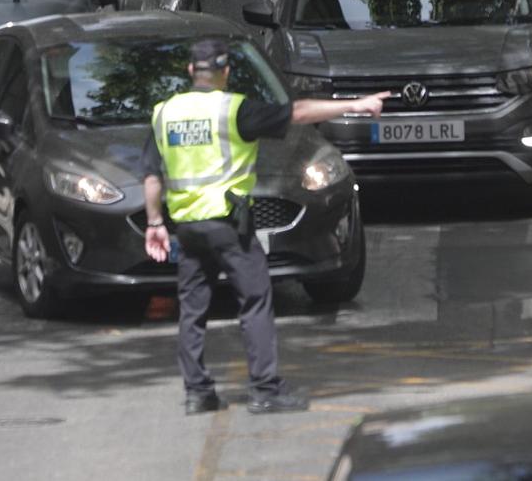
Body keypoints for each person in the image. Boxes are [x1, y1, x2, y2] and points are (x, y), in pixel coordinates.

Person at [141, 36, 389, 414]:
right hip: (228, 228)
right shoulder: (234, 110)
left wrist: (154, 222)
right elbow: (300, 112)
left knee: (192, 310)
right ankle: (265, 390)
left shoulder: (165, 113)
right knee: (255, 302)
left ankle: (197, 393)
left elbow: (152, 177)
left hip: (187, 229)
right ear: (225, 72)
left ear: (191, 71)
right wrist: (357, 104)